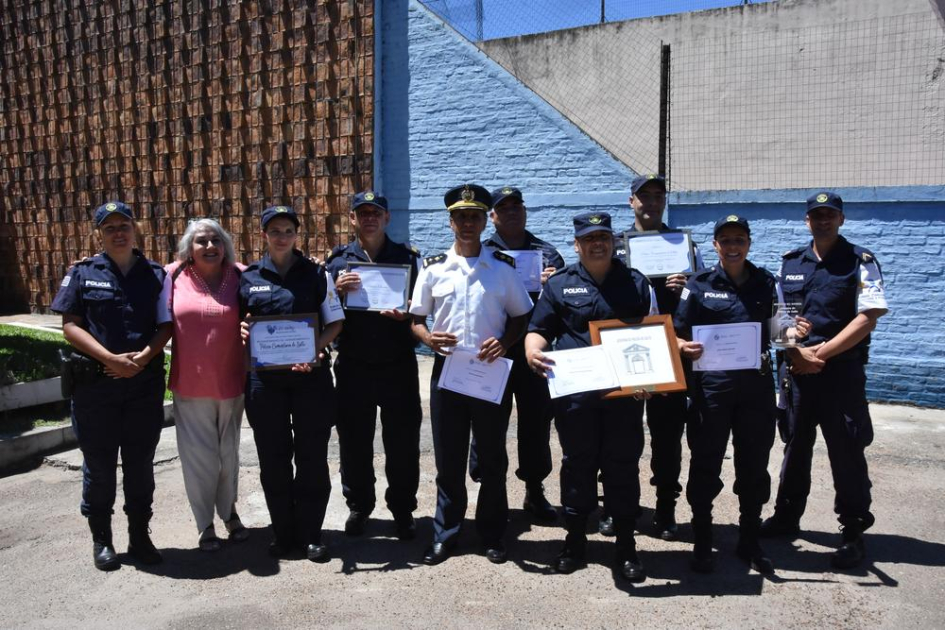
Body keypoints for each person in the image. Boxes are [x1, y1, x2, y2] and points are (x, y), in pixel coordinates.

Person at [525, 211, 657, 583]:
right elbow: (539, 329)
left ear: (613, 241)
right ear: (577, 244)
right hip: (576, 396)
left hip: (623, 395)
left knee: (622, 465)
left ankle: (626, 546)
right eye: (589, 239)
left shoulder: (636, 283)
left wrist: (651, 379)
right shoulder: (560, 284)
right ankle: (574, 540)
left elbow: (653, 335)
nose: (597, 244)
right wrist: (532, 351)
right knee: (577, 463)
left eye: (603, 237)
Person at [760, 192, 888, 569]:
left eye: (830, 215)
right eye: (816, 215)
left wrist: (822, 353)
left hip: (840, 375)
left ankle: (852, 530)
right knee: (794, 448)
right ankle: (786, 517)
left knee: (846, 451)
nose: (823, 221)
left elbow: (869, 316)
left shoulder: (859, 261)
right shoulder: (791, 263)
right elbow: (779, 317)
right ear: (807, 221)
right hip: (798, 372)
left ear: (841, 219)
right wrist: (794, 350)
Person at [409, 183, 533, 565]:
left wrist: (506, 343)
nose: (467, 223)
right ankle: (445, 533)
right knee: (448, 458)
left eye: (474, 216)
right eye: (460, 217)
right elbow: (415, 318)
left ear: (484, 222)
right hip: (449, 371)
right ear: (450, 222)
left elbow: (522, 315)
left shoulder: (501, 269)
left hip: (490, 371)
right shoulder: (433, 269)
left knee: (493, 456)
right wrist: (428, 338)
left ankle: (493, 533)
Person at [674, 215, 799, 574]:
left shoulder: (767, 282)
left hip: (754, 388)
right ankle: (701, 539)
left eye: (739, 239)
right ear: (715, 245)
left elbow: (781, 331)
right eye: (725, 240)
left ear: (749, 243)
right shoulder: (697, 285)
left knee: (754, 464)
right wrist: (685, 348)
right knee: (705, 462)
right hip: (711, 388)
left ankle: (749, 539)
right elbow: (677, 333)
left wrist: (794, 335)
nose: (733, 246)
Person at [51, 201, 171, 571]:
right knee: (100, 467)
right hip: (96, 389)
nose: (118, 232)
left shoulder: (156, 274)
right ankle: (102, 539)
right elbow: (70, 324)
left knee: (140, 465)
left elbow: (166, 324)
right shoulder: (84, 273)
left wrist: (143, 359)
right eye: (109, 227)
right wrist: (110, 359)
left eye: (124, 225)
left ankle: (140, 535)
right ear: (98, 234)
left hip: (142, 385)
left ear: (136, 229)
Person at [238, 205, 345, 563]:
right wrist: (241, 330)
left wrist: (314, 349)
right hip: (265, 384)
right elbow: (238, 322)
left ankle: (312, 534)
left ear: (297, 235)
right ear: (263, 235)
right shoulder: (248, 277)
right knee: (273, 459)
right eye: (274, 231)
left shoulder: (318, 274)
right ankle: (283, 534)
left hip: (310, 379)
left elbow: (335, 323)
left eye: (288, 230)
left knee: (313, 457)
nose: (281, 237)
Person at [607, 173, 704, 540]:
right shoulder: (612, 244)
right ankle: (616, 508)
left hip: (671, 351)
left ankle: (665, 508)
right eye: (642, 196)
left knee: (667, 435)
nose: (650, 201)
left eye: (657, 195)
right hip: (625, 348)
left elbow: (702, 294)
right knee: (619, 434)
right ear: (631, 201)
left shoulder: (682, 245)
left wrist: (687, 287)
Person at [326, 191, 423, 541]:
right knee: (354, 441)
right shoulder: (337, 262)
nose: (369, 218)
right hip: (353, 366)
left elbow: (423, 309)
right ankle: (359, 506)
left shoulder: (408, 259)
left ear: (387, 218)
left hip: (397, 364)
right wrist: (335, 291)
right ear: (352, 219)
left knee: (403, 442)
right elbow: (324, 312)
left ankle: (402, 509)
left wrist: (408, 311)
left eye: (376, 213)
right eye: (362, 213)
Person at [467, 185, 565, 521]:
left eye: (516, 206)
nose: (511, 212)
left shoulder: (547, 254)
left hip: (532, 352)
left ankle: (534, 492)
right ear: (492, 217)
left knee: (536, 422)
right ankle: (490, 492)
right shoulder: (480, 252)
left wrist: (553, 282)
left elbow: (561, 305)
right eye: (503, 208)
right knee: (487, 422)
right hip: (493, 350)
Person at [163, 218, 249, 552]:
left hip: (232, 382)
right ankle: (205, 523)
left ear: (225, 244)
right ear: (189, 248)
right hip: (191, 384)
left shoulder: (241, 275)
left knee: (228, 456)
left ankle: (229, 512)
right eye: (201, 241)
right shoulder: (171, 276)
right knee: (200, 459)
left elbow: (275, 286)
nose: (210, 247)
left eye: (216, 240)